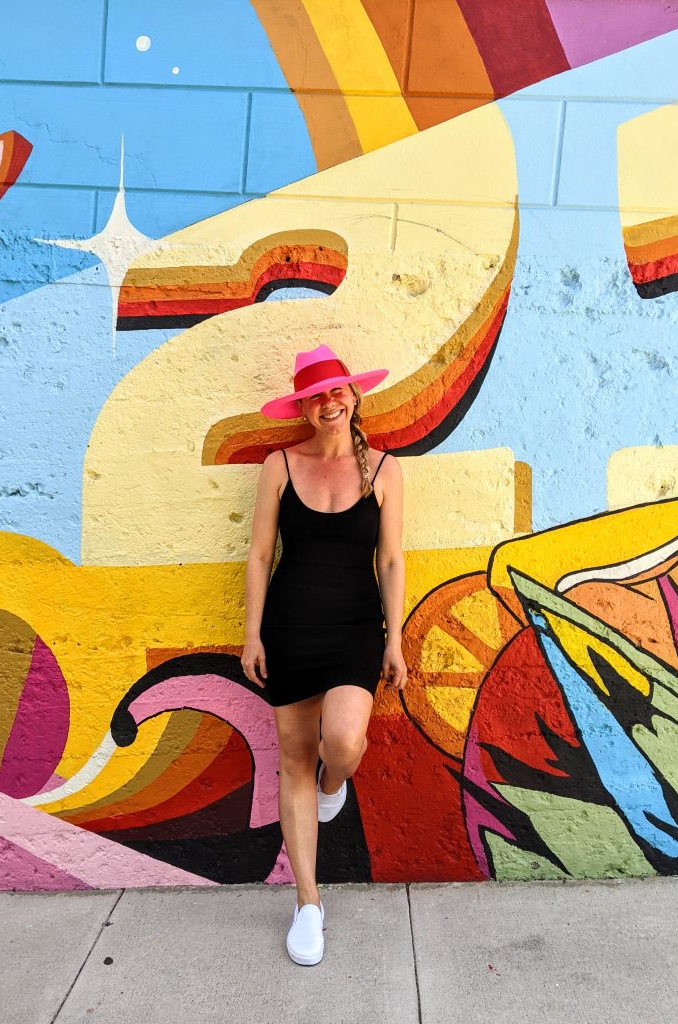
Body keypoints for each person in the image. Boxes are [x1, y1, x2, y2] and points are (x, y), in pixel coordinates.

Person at [242, 343, 407, 966]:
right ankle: (308, 903)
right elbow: (260, 554)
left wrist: (395, 638)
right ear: (304, 408)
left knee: (342, 743)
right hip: (289, 626)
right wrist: (252, 633)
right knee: (292, 761)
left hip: (355, 627)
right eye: (315, 396)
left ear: (353, 397)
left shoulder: (386, 469)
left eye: (337, 391)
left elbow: (390, 560)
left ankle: (334, 783)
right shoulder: (279, 465)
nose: (328, 402)